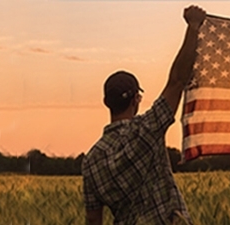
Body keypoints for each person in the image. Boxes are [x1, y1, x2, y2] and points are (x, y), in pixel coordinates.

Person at [81, 5, 206, 225]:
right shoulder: (147, 130)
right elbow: (177, 81)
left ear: (106, 103)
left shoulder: (91, 161)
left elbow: (93, 220)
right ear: (136, 100)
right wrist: (193, 27)